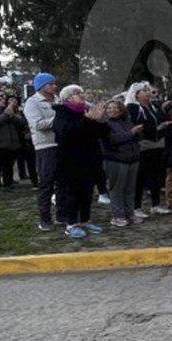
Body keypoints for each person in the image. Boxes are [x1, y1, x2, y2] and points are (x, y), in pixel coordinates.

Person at [52, 85, 108, 239]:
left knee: (87, 192)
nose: (83, 96)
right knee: (72, 193)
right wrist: (89, 119)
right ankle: (70, 224)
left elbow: (98, 133)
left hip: (89, 159)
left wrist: (100, 118)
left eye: (82, 93)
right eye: (78, 94)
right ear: (68, 98)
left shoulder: (84, 112)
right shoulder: (62, 113)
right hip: (70, 161)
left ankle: (84, 219)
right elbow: (67, 134)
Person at [127, 82, 170, 216]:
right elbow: (134, 126)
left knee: (156, 176)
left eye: (148, 90)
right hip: (144, 145)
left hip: (157, 144)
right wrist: (155, 129)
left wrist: (164, 125)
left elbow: (161, 118)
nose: (148, 93)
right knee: (140, 177)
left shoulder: (153, 106)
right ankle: (136, 207)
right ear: (136, 94)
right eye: (144, 91)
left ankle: (155, 204)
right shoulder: (133, 108)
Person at [25, 73, 60, 231]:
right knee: (46, 183)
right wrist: (60, 119)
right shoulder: (33, 102)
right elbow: (38, 124)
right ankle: (44, 218)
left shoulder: (58, 99)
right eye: (51, 84)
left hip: (61, 144)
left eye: (54, 83)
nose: (54, 86)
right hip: (45, 146)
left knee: (62, 182)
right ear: (41, 86)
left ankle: (62, 214)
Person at [100, 99, 143, 227]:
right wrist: (132, 133)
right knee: (117, 189)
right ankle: (118, 215)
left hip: (132, 158)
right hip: (116, 159)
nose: (112, 110)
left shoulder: (127, 121)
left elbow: (136, 138)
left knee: (130, 189)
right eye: (109, 108)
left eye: (115, 108)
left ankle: (129, 213)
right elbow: (113, 139)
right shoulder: (104, 124)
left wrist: (136, 134)